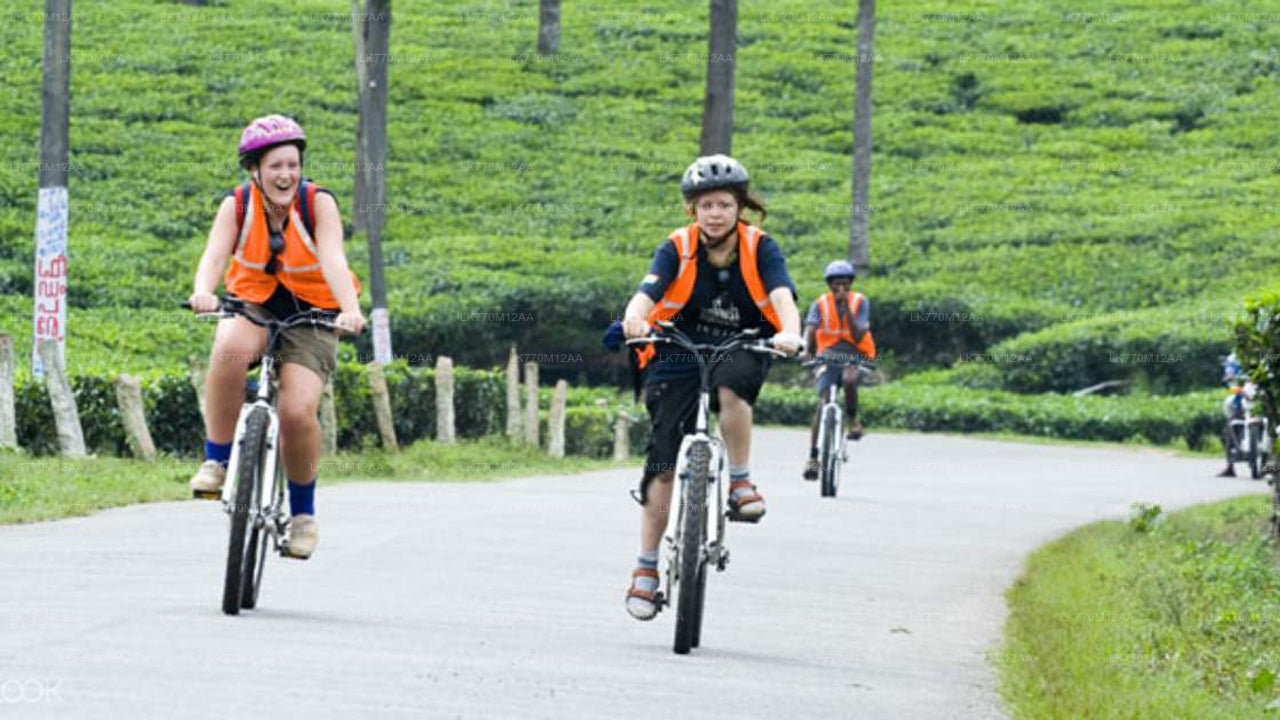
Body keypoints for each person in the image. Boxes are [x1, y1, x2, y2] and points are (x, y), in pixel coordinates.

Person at [619, 154, 803, 621]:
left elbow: (782, 293)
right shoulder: (676, 246)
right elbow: (649, 291)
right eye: (706, 206)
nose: (715, 213)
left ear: (739, 207)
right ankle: (645, 569)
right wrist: (635, 318)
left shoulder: (761, 246)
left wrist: (789, 332)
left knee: (729, 390)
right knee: (661, 462)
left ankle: (739, 481)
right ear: (692, 210)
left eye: (724, 204)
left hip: (742, 343)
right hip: (677, 344)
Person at [186, 114, 366, 558]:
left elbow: (333, 258)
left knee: (298, 410)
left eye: (292, 164)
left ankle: (303, 515)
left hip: (315, 312)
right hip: (254, 302)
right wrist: (203, 292)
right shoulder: (238, 205)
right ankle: (218, 459)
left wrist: (351, 310)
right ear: (255, 170)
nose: (286, 174)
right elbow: (214, 253)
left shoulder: (317, 204)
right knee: (227, 351)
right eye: (275, 167)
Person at [800, 260, 876, 480]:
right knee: (823, 401)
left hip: (857, 354)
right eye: (836, 284)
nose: (840, 288)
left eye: (844, 284)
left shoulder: (860, 302)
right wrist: (806, 348)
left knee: (850, 379)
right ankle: (813, 457)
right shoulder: (821, 303)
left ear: (850, 283)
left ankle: (853, 420)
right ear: (829, 285)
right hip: (828, 355)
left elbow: (859, 333)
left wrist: (845, 310)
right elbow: (811, 328)